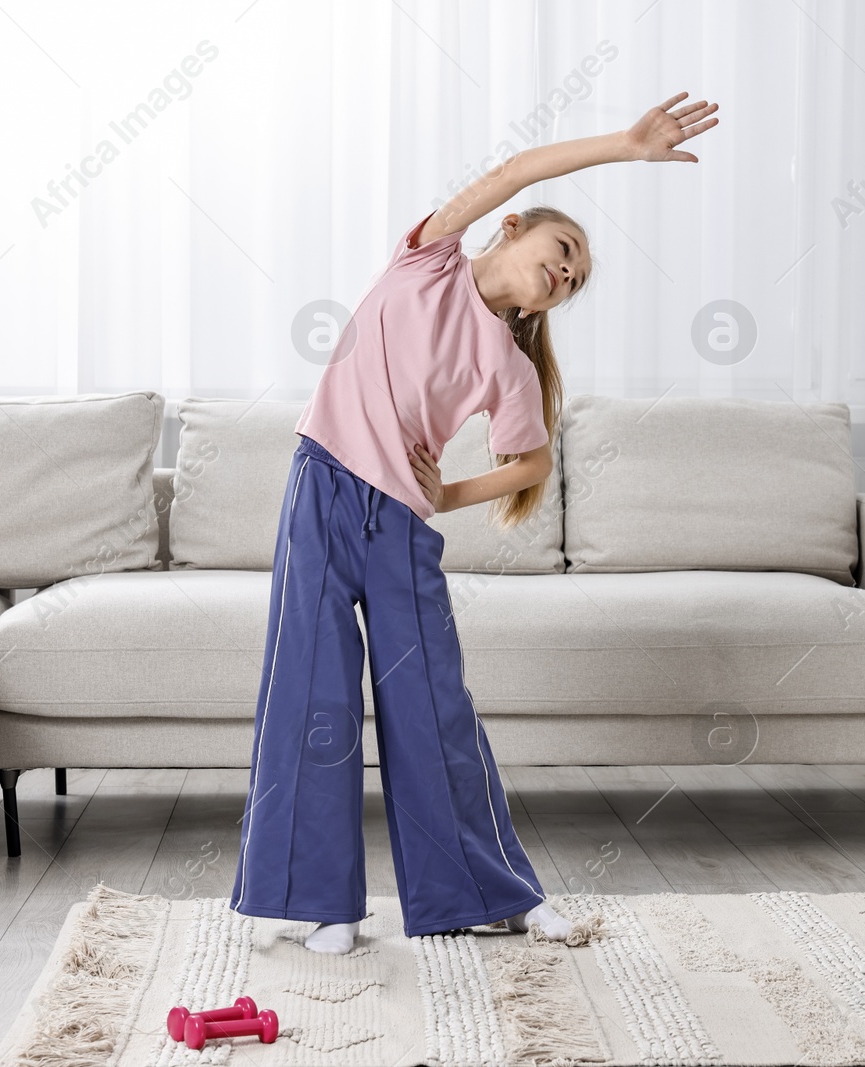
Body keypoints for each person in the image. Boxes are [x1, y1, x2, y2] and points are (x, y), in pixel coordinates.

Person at [228, 92, 721, 953]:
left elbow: (531, 465)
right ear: (514, 228)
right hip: (320, 487)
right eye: (561, 252)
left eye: (572, 281)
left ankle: (496, 894)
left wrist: (448, 494)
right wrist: (628, 146)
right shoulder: (426, 261)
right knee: (309, 695)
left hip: (400, 525)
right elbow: (512, 169)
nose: (563, 275)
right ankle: (322, 904)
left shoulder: (510, 366)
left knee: (431, 706)